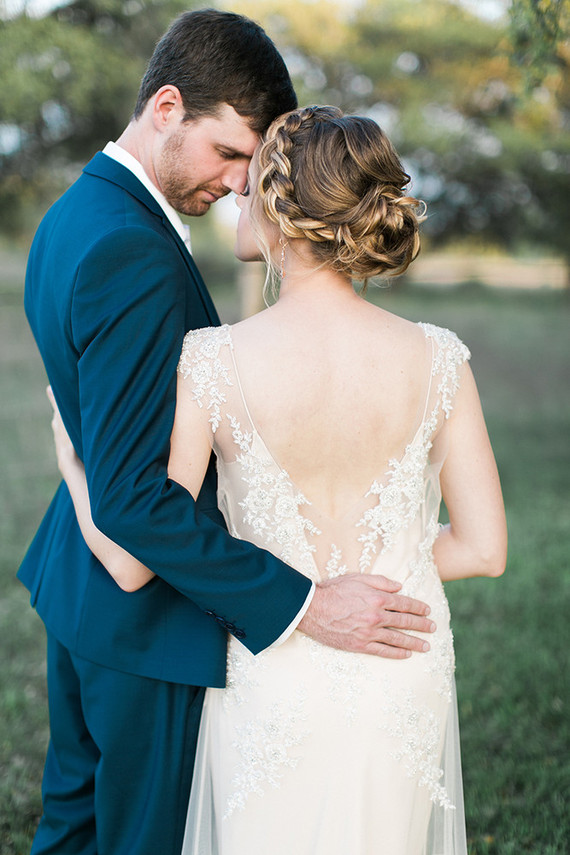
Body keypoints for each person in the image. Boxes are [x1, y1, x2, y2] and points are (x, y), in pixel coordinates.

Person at [20, 12, 435, 855]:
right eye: (233, 152)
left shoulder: (75, 213)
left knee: (70, 830)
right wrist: (309, 604)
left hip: (81, 595)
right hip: (148, 635)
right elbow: (139, 503)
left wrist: (72, 458)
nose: (246, 184)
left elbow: (104, 441)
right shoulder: (132, 249)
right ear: (168, 107)